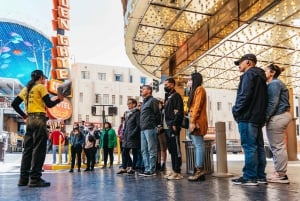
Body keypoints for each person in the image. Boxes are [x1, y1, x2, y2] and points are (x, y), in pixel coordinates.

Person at [11, 69, 63, 187]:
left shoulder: (25, 89)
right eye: (44, 78)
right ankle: (35, 178)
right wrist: (59, 99)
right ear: (40, 78)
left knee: (28, 150)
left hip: (29, 120)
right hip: (39, 119)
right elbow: (49, 104)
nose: (45, 80)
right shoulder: (40, 87)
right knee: (39, 149)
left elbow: (14, 104)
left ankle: (23, 179)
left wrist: (24, 116)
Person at [231, 53, 267, 186]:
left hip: (247, 117)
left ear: (248, 62)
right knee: (259, 147)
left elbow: (244, 95)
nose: (239, 66)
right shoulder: (262, 77)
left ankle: (250, 177)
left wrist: (235, 110)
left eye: (240, 63)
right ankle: (260, 176)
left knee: (249, 147)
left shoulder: (248, 75)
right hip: (257, 118)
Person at [265, 64, 292, 184]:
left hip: (278, 116)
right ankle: (279, 173)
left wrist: (265, 118)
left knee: (277, 146)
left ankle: (281, 174)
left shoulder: (274, 84)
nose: (262, 72)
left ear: (271, 73)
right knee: (277, 146)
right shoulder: (275, 83)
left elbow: (273, 103)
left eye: (265, 70)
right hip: (281, 115)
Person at [186, 72, 208, 182]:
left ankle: (200, 170)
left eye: (190, 79)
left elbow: (197, 107)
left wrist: (193, 121)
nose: (188, 82)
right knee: (196, 145)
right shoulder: (194, 91)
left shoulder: (200, 89)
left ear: (195, 80)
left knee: (199, 145)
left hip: (197, 121)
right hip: (193, 120)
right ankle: (198, 170)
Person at [161, 78, 184, 180]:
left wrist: (175, 123)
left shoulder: (176, 96)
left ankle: (178, 171)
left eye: (167, 84)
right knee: (171, 149)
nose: (165, 86)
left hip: (172, 126)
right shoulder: (168, 97)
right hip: (167, 128)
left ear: (172, 85)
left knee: (176, 149)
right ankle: (174, 170)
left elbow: (179, 111)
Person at [139, 85, 160, 176]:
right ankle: (147, 169)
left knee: (152, 149)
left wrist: (158, 125)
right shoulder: (144, 102)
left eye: (143, 89)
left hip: (150, 127)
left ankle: (152, 170)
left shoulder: (153, 101)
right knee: (144, 150)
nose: (142, 91)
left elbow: (157, 114)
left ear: (149, 91)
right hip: (143, 128)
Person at [117, 98, 140, 175]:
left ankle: (133, 168)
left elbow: (138, 125)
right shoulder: (127, 113)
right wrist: (124, 132)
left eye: (129, 103)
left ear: (134, 104)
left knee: (134, 152)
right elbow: (125, 125)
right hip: (126, 136)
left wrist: (133, 133)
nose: (128, 105)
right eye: (127, 103)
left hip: (133, 136)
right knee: (124, 152)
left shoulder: (137, 113)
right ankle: (125, 167)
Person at [157, 100, 167, 172]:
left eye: (159, 104)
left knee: (163, 149)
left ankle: (163, 163)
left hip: (162, 132)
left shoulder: (164, 111)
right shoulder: (156, 112)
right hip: (156, 132)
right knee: (158, 149)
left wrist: (161, 126)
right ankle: (158, 163)